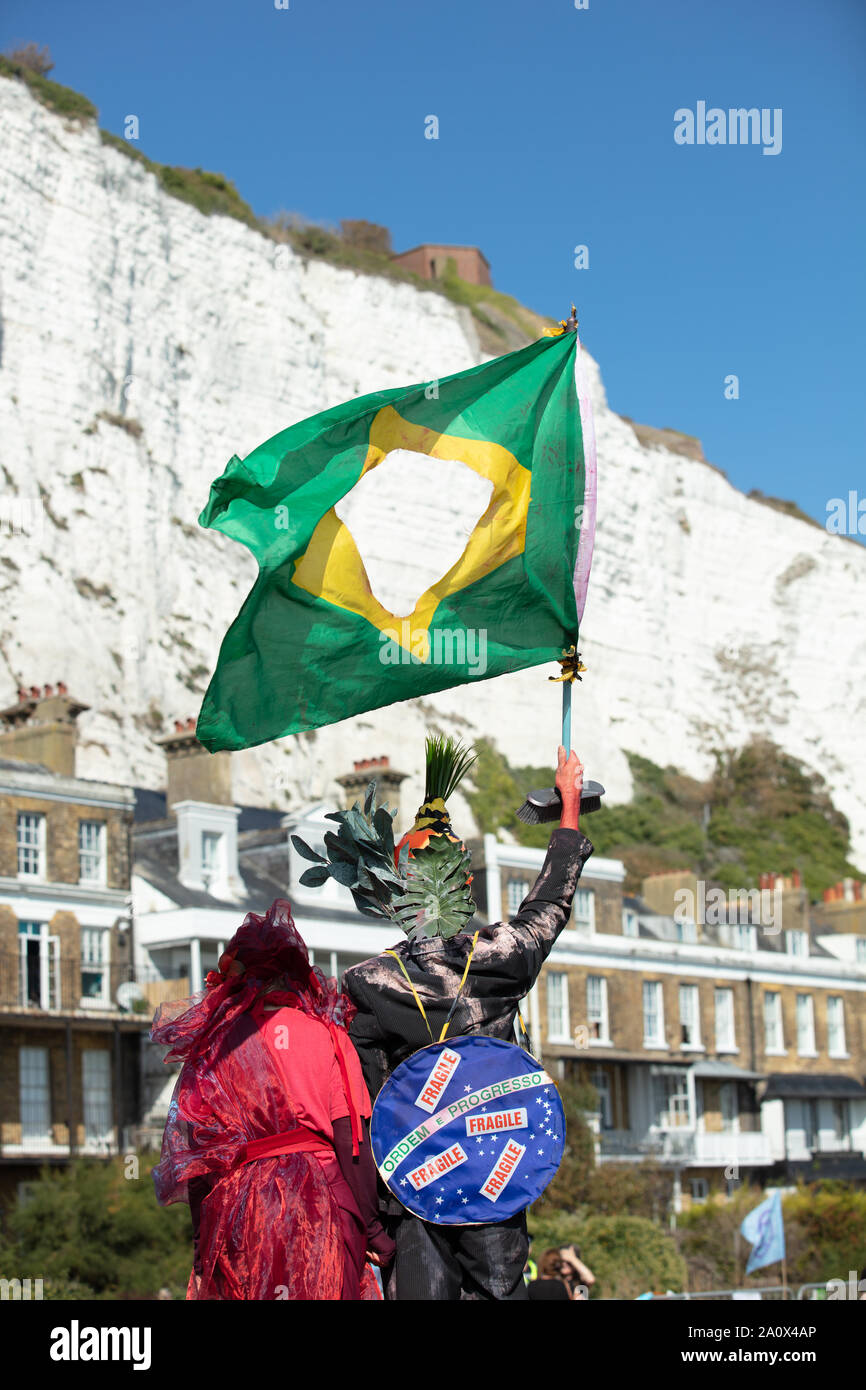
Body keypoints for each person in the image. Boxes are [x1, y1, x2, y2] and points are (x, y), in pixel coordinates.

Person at [342, 742, 593, 1300]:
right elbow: (551, 900)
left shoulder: (372, 983)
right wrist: (569, 806)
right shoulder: (501, 957)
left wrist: (370, 1211)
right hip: (494, 1171)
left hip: (418, 1179)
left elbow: (366, 1103)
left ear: (399, 896)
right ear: (464, 886)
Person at [150, 899, 394, 1300]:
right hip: (321, 1210)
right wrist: (374, 1231)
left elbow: (198, 1162)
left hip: (241, 1215)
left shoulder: (213, 1049)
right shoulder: (327, 1036)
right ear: (295, 976)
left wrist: (201, 1248)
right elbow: (353, 1144)